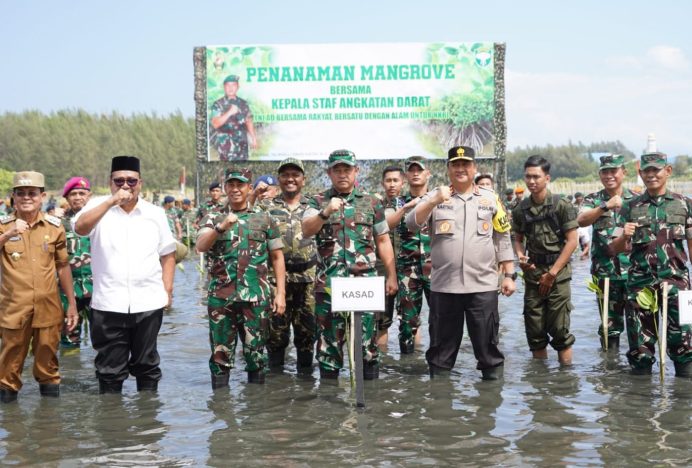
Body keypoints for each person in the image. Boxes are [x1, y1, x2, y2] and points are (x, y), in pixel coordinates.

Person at [406, 146, 515, 380]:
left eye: (466, 164)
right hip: (445, 287)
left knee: (489, 350)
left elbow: (502, 236)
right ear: (448, 169)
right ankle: (441, 407)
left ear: (474, 168)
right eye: (455, 164)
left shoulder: (490, 198)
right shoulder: (436, 195)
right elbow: (411, 223)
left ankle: (489, 409)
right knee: (440, 353)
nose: (461, 169)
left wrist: (509, 274)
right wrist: (433, 200)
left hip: (483, 287)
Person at [74, 156, 177, 394]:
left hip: (148, 301)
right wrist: (110, 202)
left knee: (147, 365)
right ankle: (113, 426)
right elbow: (80, 228)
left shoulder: (155, 213)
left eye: (131, 181)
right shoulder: (97, 207)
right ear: (110, 182)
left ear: (140, 183)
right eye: (119, 180)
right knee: (109, 370)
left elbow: (168, 253)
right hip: (108, 302)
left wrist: (167, 290)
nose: (125, 186)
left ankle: (148, 424)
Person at [302, 149, 397, 380]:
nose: (342, 174)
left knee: (367, 346)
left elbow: (383, 240)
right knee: (329, 348)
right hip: (330, 287)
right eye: (337, 170)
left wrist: (392, 276)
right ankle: (330, 406)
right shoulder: (317, 200)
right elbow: (306, 230)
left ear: (356, 171)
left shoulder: (371, 202)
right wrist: (325, 213)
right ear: (329, 173)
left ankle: (370, 407)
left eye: (347, 169)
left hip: (364, 286)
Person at [196, 167, 286, 386]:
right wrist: (220, 228)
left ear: (249, 187)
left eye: (240, 185)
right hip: (221, 299)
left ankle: (255, 412)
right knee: (220, 356)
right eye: (231, 185)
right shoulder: (213, 217)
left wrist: (281, 293)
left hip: (255, 298)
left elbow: (277, 256)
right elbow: (200, 245)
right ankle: (220, 410)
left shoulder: (264, 219)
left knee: (256, 355)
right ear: (225, 187)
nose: (235, 189)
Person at [612, 152, 692, 377]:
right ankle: (641, 406)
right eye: (646, 170)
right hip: (640, 285)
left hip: (678, 286)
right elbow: (613, 248)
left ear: (667, 171)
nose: (651, 175)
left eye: (656, 170)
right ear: (640, 174)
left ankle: (682, 405)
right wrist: (624, 237)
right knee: (640, 350)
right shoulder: (629, 207)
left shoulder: (685, 205)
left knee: (684, 346)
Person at [0, 171, 78, 403]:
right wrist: (10, 234)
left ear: (42, 196)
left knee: (48, 365)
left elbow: (63, 267)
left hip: (48, 307)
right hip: (14, 308)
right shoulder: (4, 226)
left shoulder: (54, 227)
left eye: (32, 193)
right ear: (13, 197)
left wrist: (71, 305)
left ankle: (49, 428)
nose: (26, 197)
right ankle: (12, 431)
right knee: (8, 368)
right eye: (20, 193)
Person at [511, 155, 578, 365]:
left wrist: (553, 273)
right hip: (533, 274)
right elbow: (518, 239)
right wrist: (520, 256)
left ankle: (565, 380)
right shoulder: (520, 209)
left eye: (536, 177)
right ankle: (540, 385)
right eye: (528, 177)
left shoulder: (562, 206)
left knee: (560, 331)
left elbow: (572, 242)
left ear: (547, 178)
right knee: (535, 332)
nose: (531, 181)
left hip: (557, 275)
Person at [258, 158, 317, 370]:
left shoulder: (314, 206)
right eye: (285, 175)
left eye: (295, 175)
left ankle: (306, 389)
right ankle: (276, 391)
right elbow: (234, 211)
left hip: (308, 280)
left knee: (307, 337)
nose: (290, 179)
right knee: (275, 338)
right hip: (276, 282)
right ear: (279, 179)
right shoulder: (265, 207)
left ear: (303, 179)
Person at [577, 154, 635, 349]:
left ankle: (637, 375)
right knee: (608, 329)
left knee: (638, 326)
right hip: (605, 275)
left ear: (624, 172)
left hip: (635, 275)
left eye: (613, 171)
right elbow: (581, 220)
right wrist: (605, 206)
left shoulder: (636, 200)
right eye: (605, 172)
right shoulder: (594, 199)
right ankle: (609, 374)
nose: (609, 175)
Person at [387, 156, 432, 354]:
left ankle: (439, 366)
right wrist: (406, 207)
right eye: (411, 170)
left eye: (419, 170)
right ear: (406, 176)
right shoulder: (399, 201)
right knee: (407, 323)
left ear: (427, 174)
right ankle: (407, 369)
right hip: (407, 270)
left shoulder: (439, 198)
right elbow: (388, 225)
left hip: (436, 268)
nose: (415, 173)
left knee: (442, 318)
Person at [59, 176, 93, 348]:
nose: (78, 197)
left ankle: (102, 374)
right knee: (69, 336)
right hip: (68, 290)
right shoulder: (58, 225)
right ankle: (72, 372)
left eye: (82, 193)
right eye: (73, 194)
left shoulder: (102, 221)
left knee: (105, 337)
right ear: (66, 198)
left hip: (98, 288)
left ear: (90, 196)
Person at [376, 165, 404, 350]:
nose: (392, 184)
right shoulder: (375, 206)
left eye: (396, 180)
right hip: (382, 269)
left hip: (409, 268)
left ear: (403, 182)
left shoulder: (414, 204)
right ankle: (381, 360)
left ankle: (410, 361)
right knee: (381, 321)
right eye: (388, 180)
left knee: (411, 321)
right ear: (382, 183)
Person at [209, 74, 258, 161]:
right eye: (228, 85)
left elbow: (248, 121)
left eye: (233, 85)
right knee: (227, 173)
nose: (231, 88)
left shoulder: (243, 103)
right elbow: (215, 123)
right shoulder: (218, 104)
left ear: (238, 87)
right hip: (226, 150)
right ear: (224, 87)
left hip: (242, 149)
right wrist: (229, 112)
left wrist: (253, 137)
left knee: (243, 173)